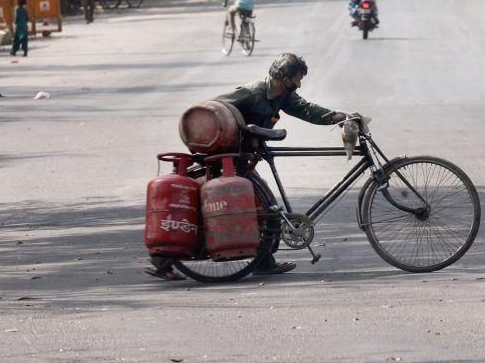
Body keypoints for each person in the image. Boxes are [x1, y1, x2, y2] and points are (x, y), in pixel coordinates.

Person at [148, 53, 350, 281]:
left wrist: (337, 117)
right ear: (283, 77)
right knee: (267, 207)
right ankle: (165, 259)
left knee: (264, 207)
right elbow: (214, 110)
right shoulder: (252, 92)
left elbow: (306, 109)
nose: (298, 84)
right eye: (296, 78)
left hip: (244, 159)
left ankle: (264, 261)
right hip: (228, 158)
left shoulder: (283, 96)